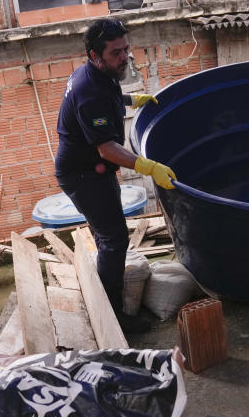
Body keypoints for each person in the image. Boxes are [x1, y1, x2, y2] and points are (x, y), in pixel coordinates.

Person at [55, 18, 177, 332]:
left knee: (108, 235)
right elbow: (107, 149)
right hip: (83, 174)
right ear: (95, 55)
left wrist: (129, 101)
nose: (125, 57)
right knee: (114, 239)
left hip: (92, 170)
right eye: (116, 53)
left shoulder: (98, 72)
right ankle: (114, 317)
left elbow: (107, 97)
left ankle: (107, 294)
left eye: (126, 49)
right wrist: (148, 166)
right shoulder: (89, 90)